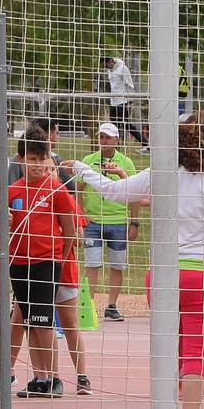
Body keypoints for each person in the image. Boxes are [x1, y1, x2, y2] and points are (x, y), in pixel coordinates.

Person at [71, 111, 204, 409]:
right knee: (197, 352)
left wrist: (81, 169)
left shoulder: (161, 175)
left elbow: (113, 191)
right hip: (202, 277)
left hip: (160, 277)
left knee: (169, 348)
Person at [6, 134, 78, 399]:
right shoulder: (12, 190)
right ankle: (39, 377)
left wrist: (58, 261)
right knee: (29, 323)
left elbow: (69, 231)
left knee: (44, 321)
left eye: (42, 159)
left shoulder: (57, 190)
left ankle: (54, 377)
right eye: (32, 159)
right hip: (19, 264)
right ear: (21, 159)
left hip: (47, 263)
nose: (37, 165)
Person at [80, 122, 139, 323]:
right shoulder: (88, 160)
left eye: (108, 137)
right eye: (101, 137)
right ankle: (88, 305)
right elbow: (78, 189)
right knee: (92, 263)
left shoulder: (126, 163)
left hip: (118, 221)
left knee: (117, 265)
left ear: (117, 140)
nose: (104, 141)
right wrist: (81, 215)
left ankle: (112, 305)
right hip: (93, 221)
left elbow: (134, 193)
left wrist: (134, 222)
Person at [102, 56, 147, 149]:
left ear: (111, 61)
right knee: (114, 126)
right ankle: (116, 148)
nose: (106, 68)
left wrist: (130, 102)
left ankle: (145, 142)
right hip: (113, 101)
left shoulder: (123, 69)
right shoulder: (109, 71)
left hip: (123, 101)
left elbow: (130, 84)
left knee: (126, 124)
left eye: (106, 65)